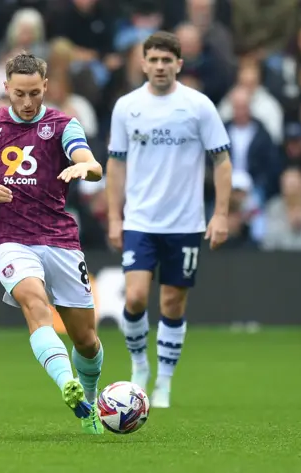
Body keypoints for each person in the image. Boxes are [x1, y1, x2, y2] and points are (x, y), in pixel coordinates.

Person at [0, 53, 105, 434]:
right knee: (35, 304)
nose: (28, 102)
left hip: (60, 238)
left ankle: (90, 399)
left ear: (45, 87)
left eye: (34, 93)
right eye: (19, 94)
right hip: (11, 238)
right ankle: (66, 382)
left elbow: (91, 163)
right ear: (6, 89)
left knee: (87, 341)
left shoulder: (63, 124)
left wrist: (87, 167)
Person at [106, 31, 232, 409]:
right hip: (141, 221)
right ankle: (139, 365)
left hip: (186, 223)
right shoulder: (126, 107)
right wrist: (115, 216)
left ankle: (165, 381)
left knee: (173, 304)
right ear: (143, 63)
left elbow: (222, 160)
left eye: (167, 60)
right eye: (154, 60)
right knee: (136, 296)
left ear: (179, 63)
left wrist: (221, 215)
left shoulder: (198, 106)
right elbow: (115, 163)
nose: (160, 67)